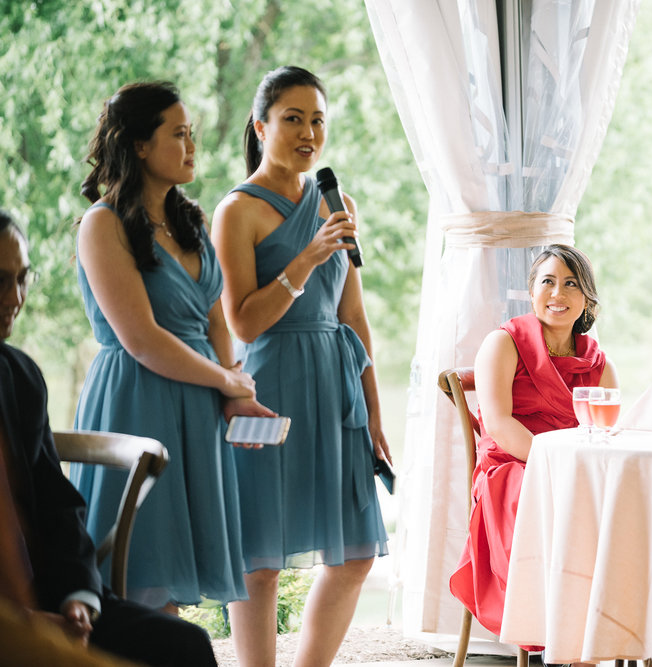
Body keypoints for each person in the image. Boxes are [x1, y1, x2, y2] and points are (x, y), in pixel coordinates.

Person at [210, 65, 389, 666]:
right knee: (258, 557)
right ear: (261, 126)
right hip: (266, 386)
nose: (308, 132)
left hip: (336, 384)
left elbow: (355, 316)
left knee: (355, 554)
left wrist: (375, 413)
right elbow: (242, 323)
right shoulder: (236, 211)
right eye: (293, 118)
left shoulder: (339, 203)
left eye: (317, 120)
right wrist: (308, 257)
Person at [70, 81, 272, 611]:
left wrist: (236, 392)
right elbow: (141, 339)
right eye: (178, 134)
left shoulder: (189, 221)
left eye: (192, 134)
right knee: (139, 575)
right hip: (136, 398)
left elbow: (214, 320)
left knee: (176, 582)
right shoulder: (102, 225)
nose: (191, 146)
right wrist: (226, 379)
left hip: (198, 403)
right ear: (139, 145)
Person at [0, 212, 217, 665]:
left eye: (22, 279)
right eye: (0, 281)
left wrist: (77, 599)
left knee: (186, 647)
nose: (14, 298)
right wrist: (23, 622)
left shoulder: (19, 377)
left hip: (51, 594)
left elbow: (57, 505)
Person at [449, 244, 618, 644]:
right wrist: (554, 467)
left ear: (587, 298)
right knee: (544, 496)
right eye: (548, 281)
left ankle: (607, 627)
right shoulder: (503, 342)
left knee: (625, 499)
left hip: (575, 467)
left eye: (571, 284)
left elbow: (606, 429)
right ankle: (560, 638)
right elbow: (499, 423)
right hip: (512, 468)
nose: (558, 294)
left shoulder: (598, 363)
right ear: (532, 290)